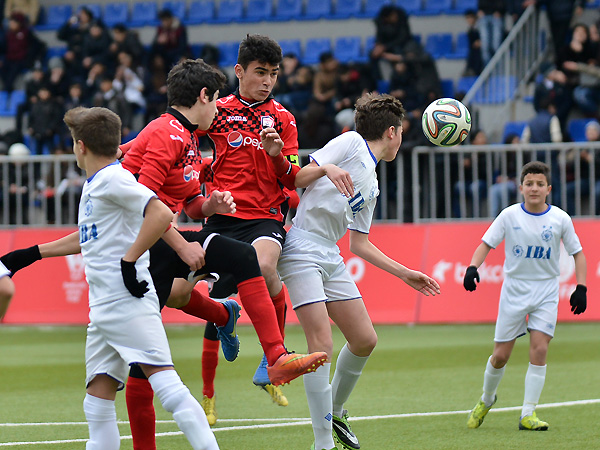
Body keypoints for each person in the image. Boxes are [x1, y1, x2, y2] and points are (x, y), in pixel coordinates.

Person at [2, 58, 327, 450]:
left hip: (129, 275)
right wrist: (173, 247)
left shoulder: (179, 139)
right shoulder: (163, 137)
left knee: (241, 260)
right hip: (139, 266)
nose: (219, 108)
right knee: (152, 377)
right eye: (216, 99)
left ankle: (270, 352)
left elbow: (185, 204)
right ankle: (237, 328)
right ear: (204, 96)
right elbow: (152, 207)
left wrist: (210, 206)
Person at [277, 93, 441, 450]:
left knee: (365, 339)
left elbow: (359, 244)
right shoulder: (351, 142)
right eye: (402, 131)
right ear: (392, 132)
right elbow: (298, 178)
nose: (401, 137)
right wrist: (327, 168)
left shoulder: (373, 183)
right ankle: (322, 443)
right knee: (321, 345)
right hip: (301, 248)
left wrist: (405, 272)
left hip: (331, 254)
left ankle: (335, 411)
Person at [59, 105, 219, 449]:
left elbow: (159, 212)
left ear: (81, 146)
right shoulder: (97, 182)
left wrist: (129, 261)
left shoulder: (113, 179)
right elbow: (89, 238)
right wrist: (30, 254)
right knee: (97, 402)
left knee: (169, 389)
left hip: (126, 301)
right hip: (104, 307)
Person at [192, 34, 304, 415]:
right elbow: (176, 137)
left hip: (264, 216)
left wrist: (277, 157)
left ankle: (274, 358)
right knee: (201, 298)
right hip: (221, 217)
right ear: (239, 71)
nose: (267, 81)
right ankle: (209, 392)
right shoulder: (216, 111)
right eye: (260, 72)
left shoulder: (284, 119)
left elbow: (292, 178)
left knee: (265, 265)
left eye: (273, 73)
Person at [463, 160, 587, 432]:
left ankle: (528, 414)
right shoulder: (509, 216)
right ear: (520, 188)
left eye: (540, 184)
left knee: (540, 349)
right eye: (529, 183)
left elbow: (578, 253)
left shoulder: (560, 219)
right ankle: (487, 399)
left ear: (548, 189)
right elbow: (486, 244)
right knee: (500, 356)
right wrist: (472, 268)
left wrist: (581, 287)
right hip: (514, 290)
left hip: (546, 291)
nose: (534, 188)